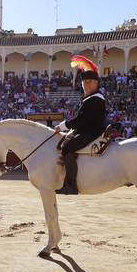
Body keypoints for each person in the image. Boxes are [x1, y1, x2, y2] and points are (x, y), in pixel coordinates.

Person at [55, 56, 107, 195]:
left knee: (66, 149)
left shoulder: (95, 99)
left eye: (89, 82)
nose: (86, 85)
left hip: (91, 132)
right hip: (88, 130)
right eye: (84, 82)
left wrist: (63, 126)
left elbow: (81, 120)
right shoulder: (92, 98)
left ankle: (72, 186)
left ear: (96, 83)